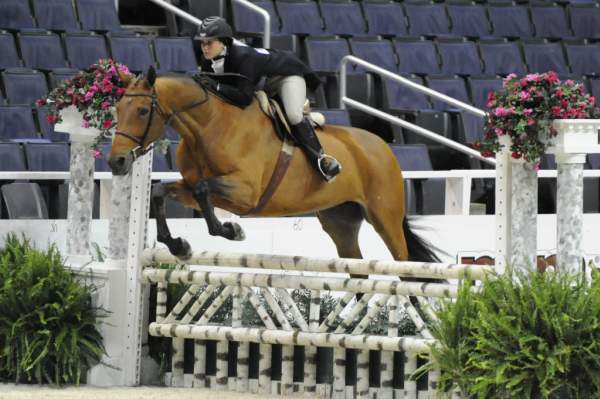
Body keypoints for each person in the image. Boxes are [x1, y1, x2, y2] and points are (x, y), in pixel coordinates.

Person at [195, 16, 341, 182]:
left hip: (286, 76)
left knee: (293, 115)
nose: (204, 48)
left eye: (209, 43)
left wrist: (217, 86)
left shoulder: (243, 57)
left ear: (223, 42)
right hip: (260, 83)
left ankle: (322, 160)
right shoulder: (206, 60)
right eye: (202, 43)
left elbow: (243, 98)